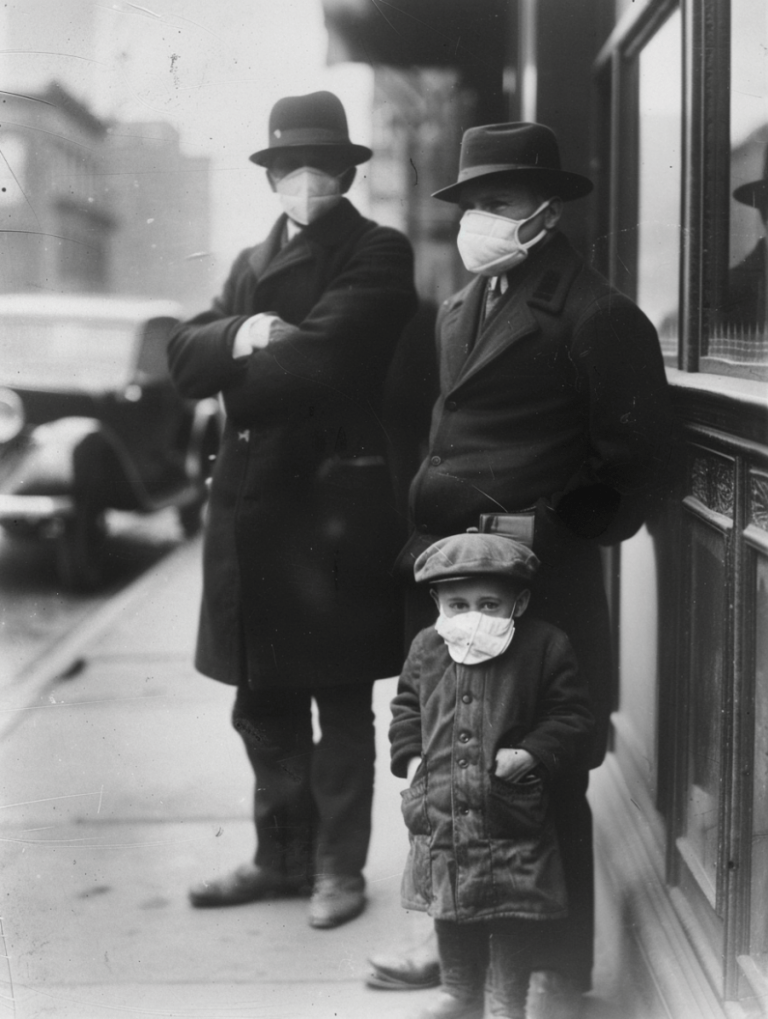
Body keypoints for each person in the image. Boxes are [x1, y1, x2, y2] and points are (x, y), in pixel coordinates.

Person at [368, 121, 673, 1007]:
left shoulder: (598, 315)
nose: (480, 220)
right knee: (455, 773)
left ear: (545, 210)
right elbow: (447, 427)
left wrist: (539, 533)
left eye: (498, 202)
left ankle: (560, 972)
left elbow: (636, 467)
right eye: (471, 203)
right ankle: (461, 944)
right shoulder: (463, 306)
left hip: (539, 593)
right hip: (451, 582)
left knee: (545, 778)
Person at [167, 91, 418, 929]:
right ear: (270, 175)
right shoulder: (248, 260)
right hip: (249, 518)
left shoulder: (378, 252)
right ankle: (281, 859)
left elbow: (324, 365)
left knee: (340, 702)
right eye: (286, 165)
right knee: (261, 703)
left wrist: (236, 349)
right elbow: (181, 354)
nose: (302, 178)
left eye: (319, 164)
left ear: (348, 170)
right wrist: (245, 334)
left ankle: (337, 870)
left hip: (330, 516)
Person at [390, 532, 594, 1019]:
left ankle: (505, 1000)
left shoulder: (544, 646)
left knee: (509, 908)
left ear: (518, 603)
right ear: (437, 600)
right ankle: (460, 990)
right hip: (440, 806)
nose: (472, 616)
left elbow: (571, 716)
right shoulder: (426, 648)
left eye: (489, 603)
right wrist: (414, 761)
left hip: (508, 810)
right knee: (448, 899)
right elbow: (405, 710)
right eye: (458, 604)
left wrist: (529, 754)